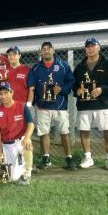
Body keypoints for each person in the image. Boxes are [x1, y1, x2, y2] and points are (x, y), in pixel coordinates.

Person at [72, 37, 108, 170]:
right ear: (85, 49)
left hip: (103, 104)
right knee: (84, 131)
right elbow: (74, 85)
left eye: (93, 46)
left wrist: (101, 89)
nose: (90, 48)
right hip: (84, 105)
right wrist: (77, 90)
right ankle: (88, 158)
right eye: (88, 46)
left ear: (99, 47)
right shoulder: (80, 67)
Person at [28, 41, 76, 170]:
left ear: (53, 50)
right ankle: (46, 158)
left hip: (60, 106)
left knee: (64, 132)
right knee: (44, 133)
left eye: (48, 49)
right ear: (41, 52)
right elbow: (31, 87)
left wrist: (62, 89)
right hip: (43, 107)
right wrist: (32, 103)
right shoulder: (36, 68)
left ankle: (69, 158)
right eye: (43, 49)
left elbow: (71, 81)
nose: (46, 51)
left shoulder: (63, 65)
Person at [0, 82, 35, 185]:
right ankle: (18, 169)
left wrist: (27, 137)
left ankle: (27, 174)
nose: (3, 96)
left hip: (19, 141)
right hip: (6, 145)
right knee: (13, 178)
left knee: (27, 144)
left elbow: (31, 124)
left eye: (6, 92)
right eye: (1, 94)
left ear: (12, 92)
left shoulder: (22, 106)